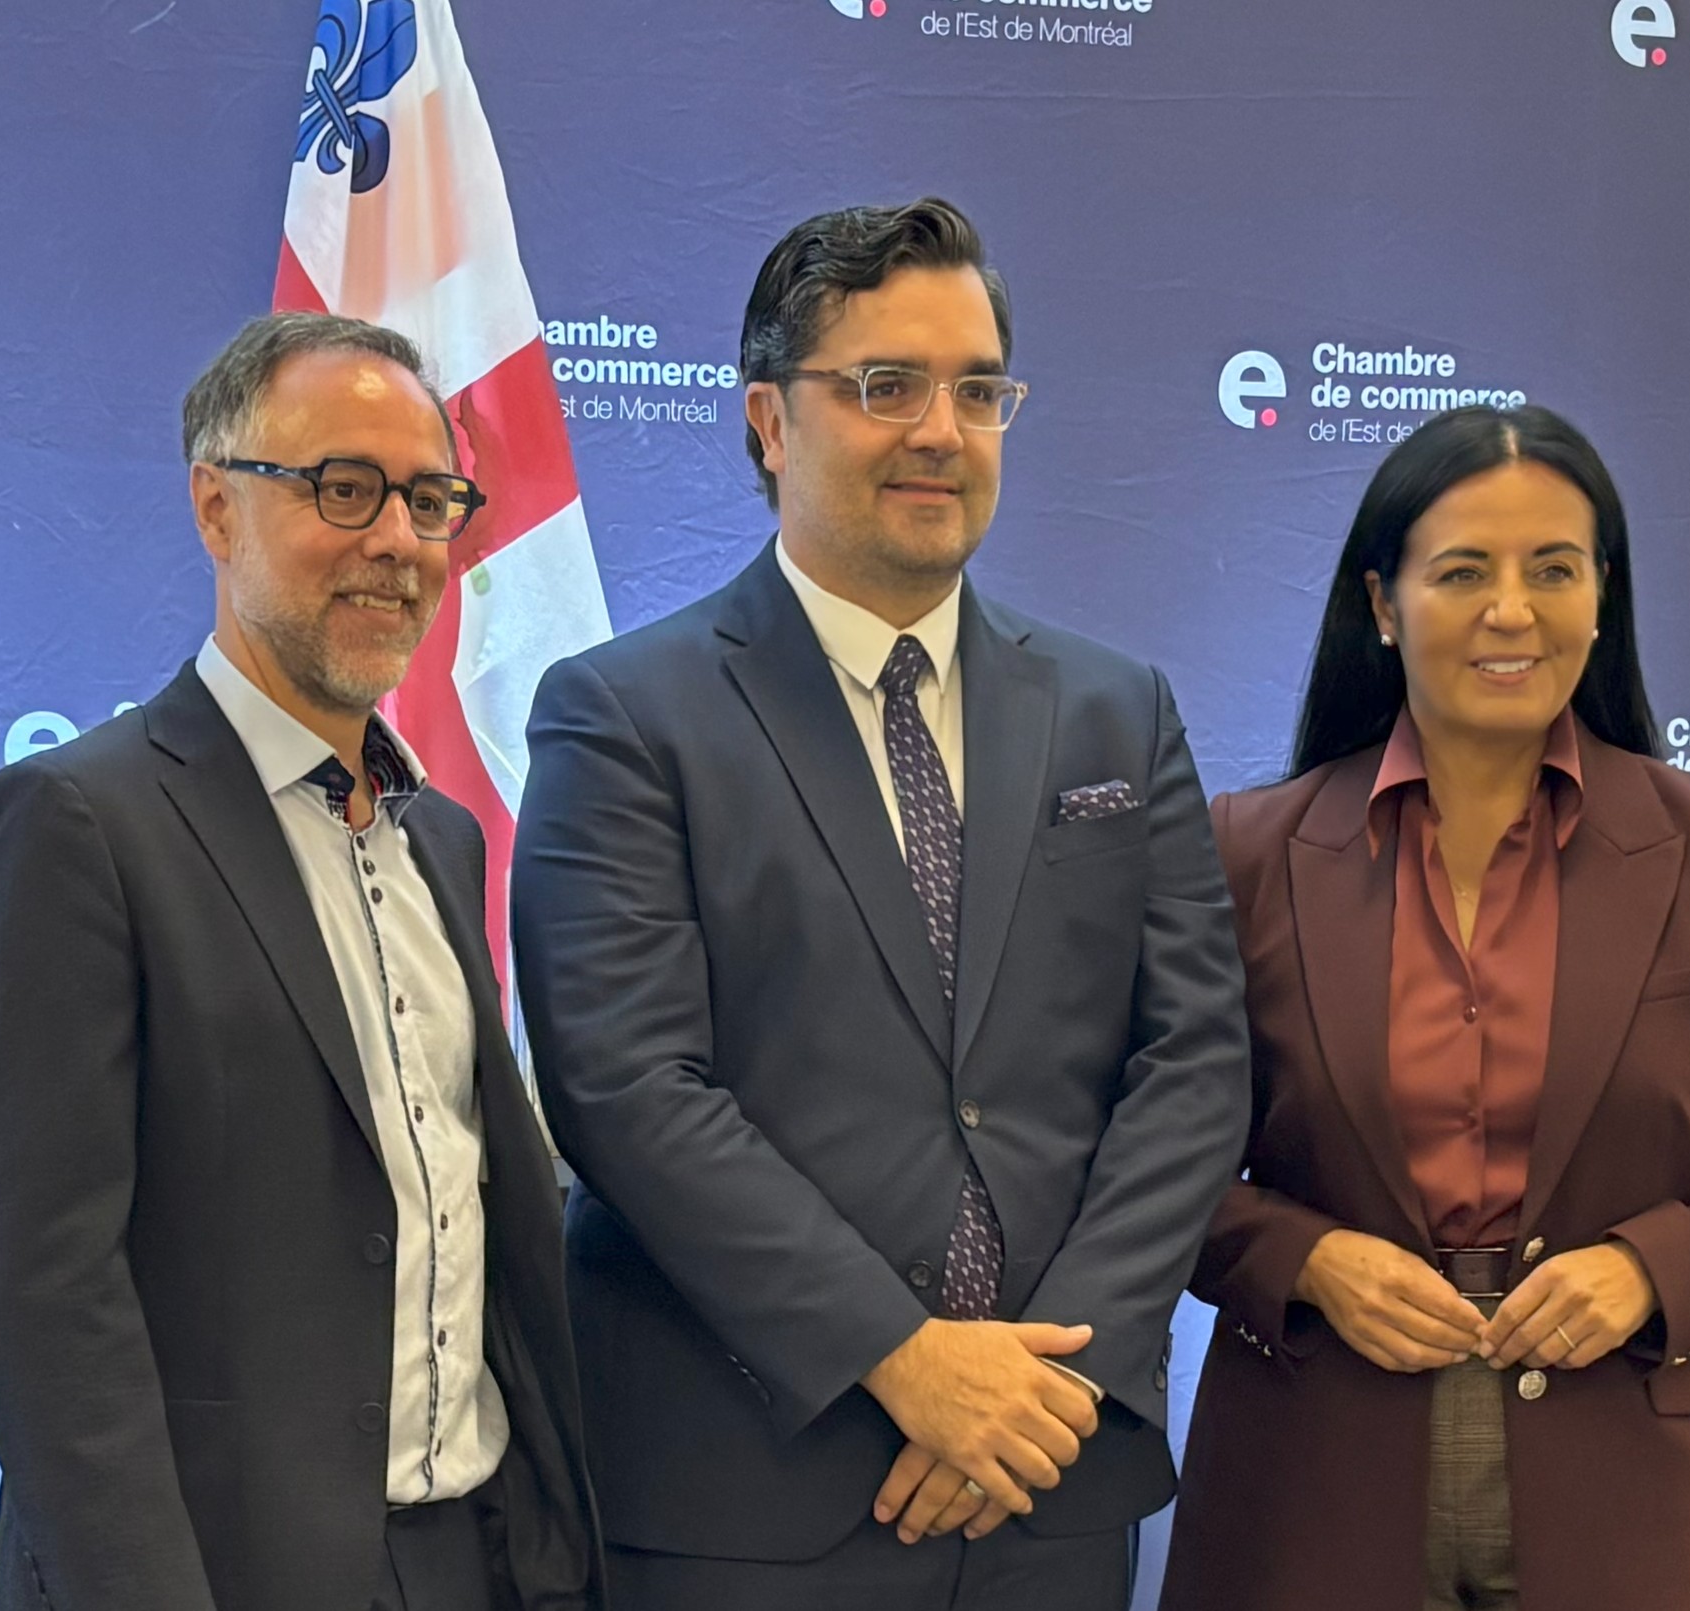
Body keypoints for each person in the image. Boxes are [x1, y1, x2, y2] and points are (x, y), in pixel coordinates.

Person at [510, 197, 1250, 1611]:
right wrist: (905, 1357)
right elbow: (625, 1086)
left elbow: (1195, 1061)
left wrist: (1055, 1380)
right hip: (749, 1496)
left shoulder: (1115, 708)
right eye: (884, 385)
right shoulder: (623, 715)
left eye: (977, 390)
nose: (939, 429)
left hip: (1049, 1485)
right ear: (767, 421)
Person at [1158, 405, 1690, 1611]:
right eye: (1462, 572)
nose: (1513, 610)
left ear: (1602, 597)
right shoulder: (1247, 853)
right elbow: (1154, 1164)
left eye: (1554, 569)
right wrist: (1303, 1258)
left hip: (1640, 1486)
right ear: (1384, 606)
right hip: (1311, 1482)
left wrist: (1654, 1268)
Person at [0, 312, 603, 1611]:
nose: (398, 542)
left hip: (474, 1555)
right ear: (215, 506)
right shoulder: (75, 824)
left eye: (430, 500)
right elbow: (44, 1293)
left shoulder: (447, 839)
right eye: (344, 488)